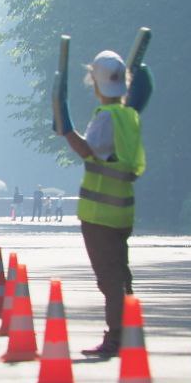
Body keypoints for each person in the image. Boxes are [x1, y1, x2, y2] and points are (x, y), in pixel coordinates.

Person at [61, 51, 146, 358]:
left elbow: (89, 151)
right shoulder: (129, 117)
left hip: (98, 213)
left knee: (109, 279)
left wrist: (66, 130)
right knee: (121, 274)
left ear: (95, 83)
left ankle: (117, 336)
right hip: (122, 210)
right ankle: (129, 329)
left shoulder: (105, 117)